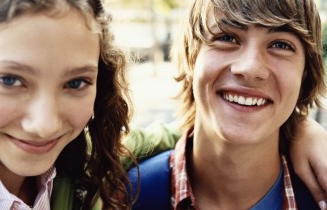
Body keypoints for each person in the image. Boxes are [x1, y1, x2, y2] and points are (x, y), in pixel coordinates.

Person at [128, 0, 327, 209]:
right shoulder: (123, 196)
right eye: (227, 37)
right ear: (191, 56)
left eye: (280, 45)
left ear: (305, 75)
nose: (250, 68)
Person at [0, 0, 135, 209]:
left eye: (76, 83)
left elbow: (140, 141)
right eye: (9, 80)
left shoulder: (88, 159)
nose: (45, 127)